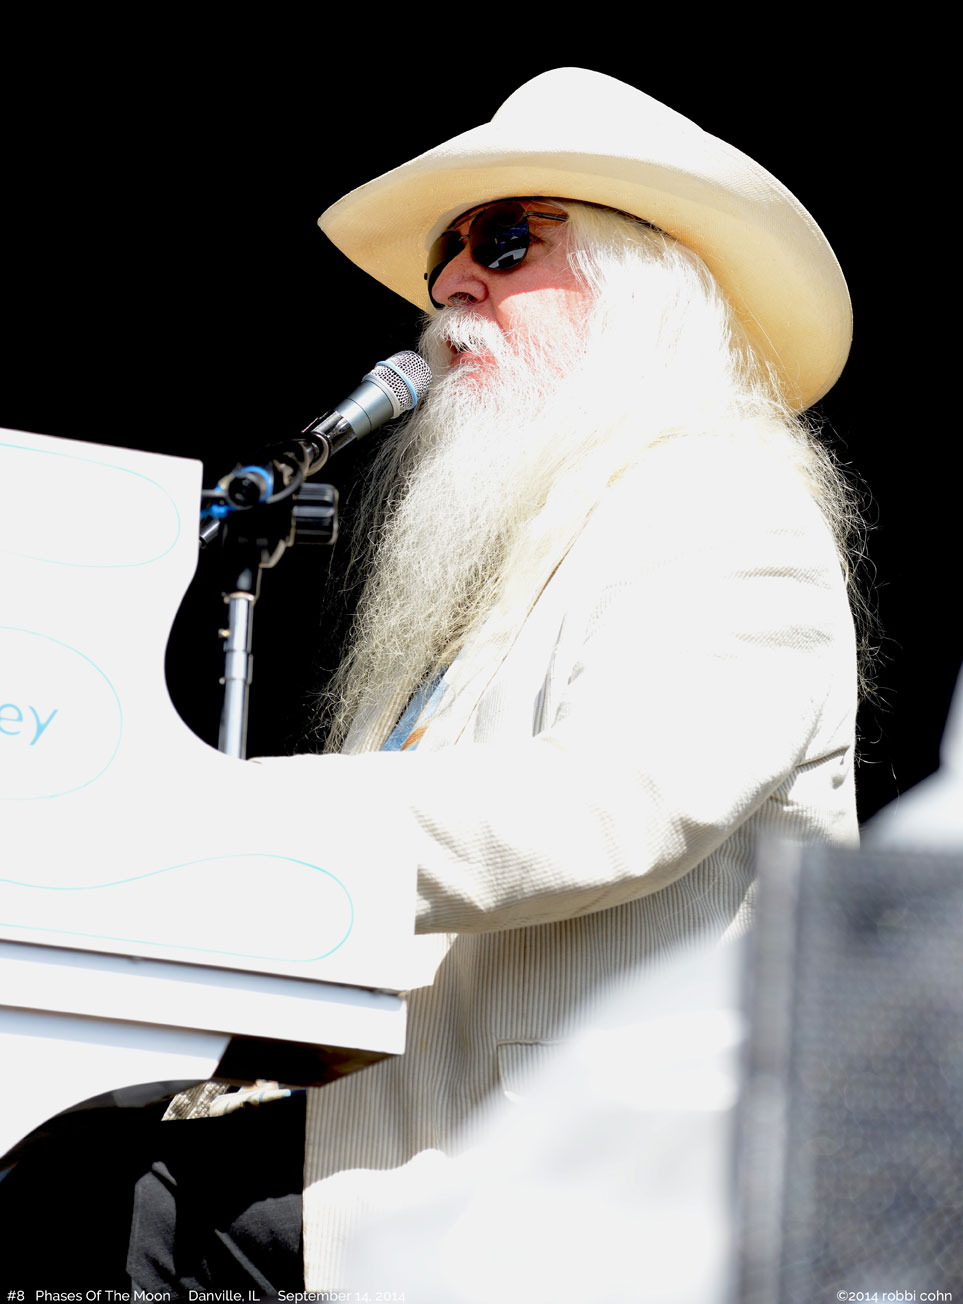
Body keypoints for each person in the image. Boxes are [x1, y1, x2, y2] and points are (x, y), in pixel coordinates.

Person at [4, 67, 866, 1293]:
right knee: (73, 1163)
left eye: (507, 242)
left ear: (645, 286)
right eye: (445, 258)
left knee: (93, 1203)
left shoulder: (728, 506)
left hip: (581, 1183)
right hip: (403, 1144)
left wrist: (216, 818)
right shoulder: (520, 554)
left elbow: (615, 803)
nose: (455, 283)